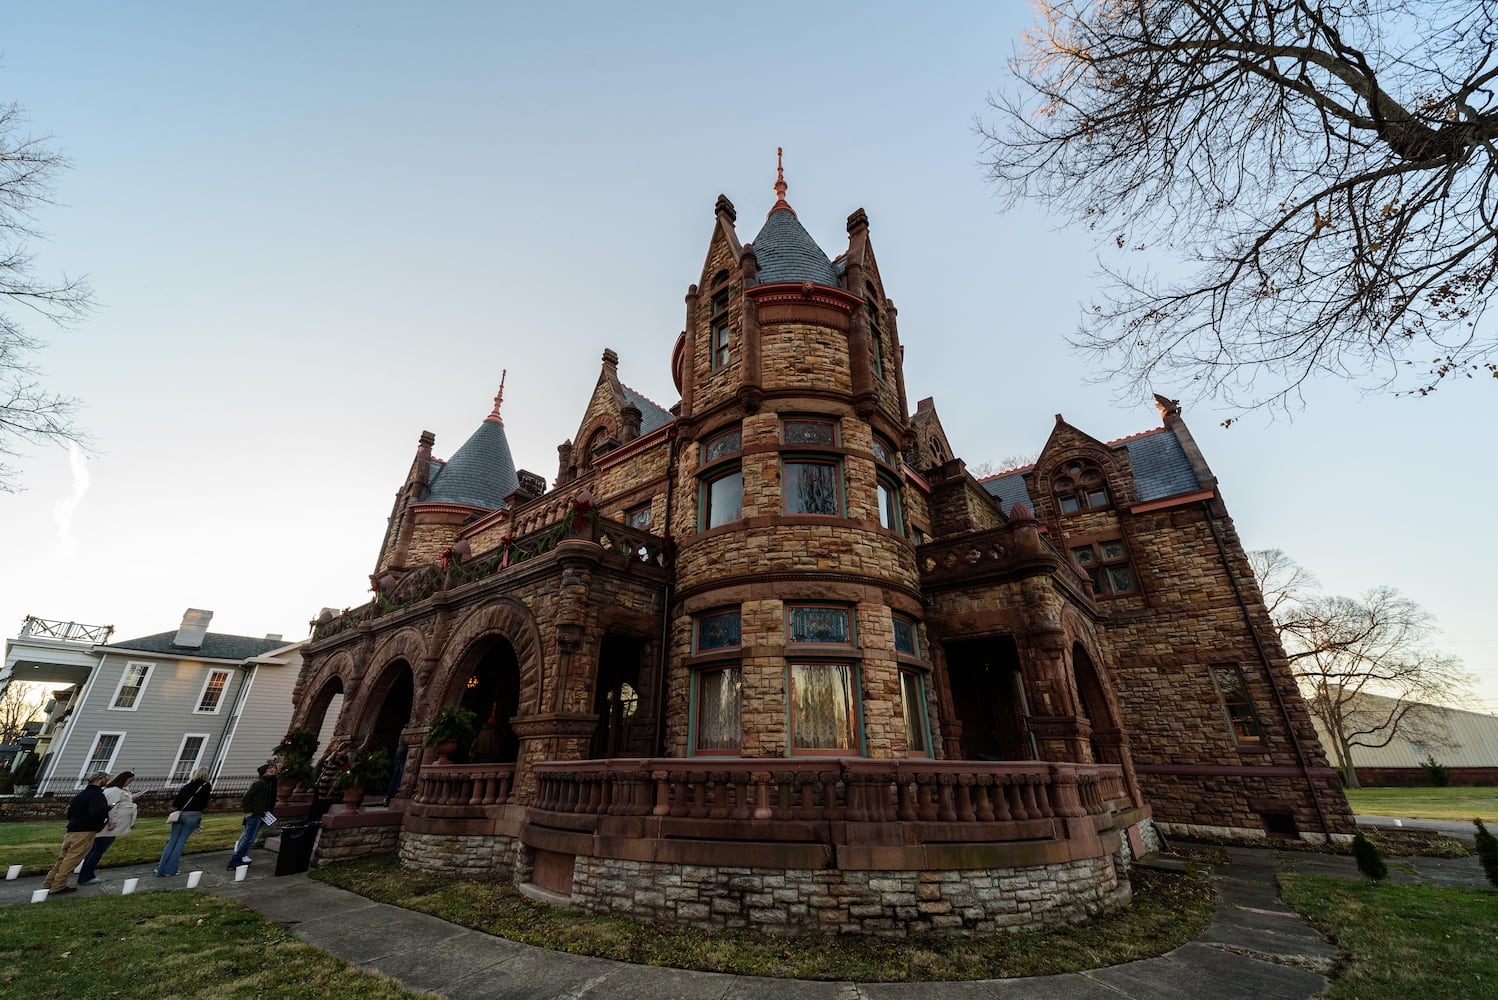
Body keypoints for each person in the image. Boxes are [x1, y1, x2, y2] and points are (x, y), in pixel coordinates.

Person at [43, 771, 111, 895]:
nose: (106, 782)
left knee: (63, 857)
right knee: (72, 859)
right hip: (84, 831)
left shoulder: (81, 795)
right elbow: (96, 813)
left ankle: (49, 881)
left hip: (72, 829)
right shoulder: (97, 795)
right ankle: (58, 885)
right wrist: (106, 811)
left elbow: (70, 813)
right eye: (105, 779)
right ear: (99, 780)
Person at [78, 770, 138, 885]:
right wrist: (111, 822)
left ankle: (86, 874)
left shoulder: (118, 790)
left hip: (110, 825)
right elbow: (111, 808)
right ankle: (86, 876)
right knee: (98, 850)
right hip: (108, 827)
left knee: (96, 850)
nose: (129, 783)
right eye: (129, 780)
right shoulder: (115, 791)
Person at [155, 767, 213, 877]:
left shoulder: (187, 786)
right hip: (193, 815)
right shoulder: (206, 787)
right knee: (180, 842)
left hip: (180, 814)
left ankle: (160, 868)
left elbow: (176, 802)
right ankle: (170, 869)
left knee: (172, 841)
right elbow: (204, 804)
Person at [228, 760, 278, 868]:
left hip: (260, 814)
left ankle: (242, 857)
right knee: (248, 837)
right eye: (269, 769)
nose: (272, 771)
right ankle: (235, 860)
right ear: (264, 772)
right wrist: (248, 811)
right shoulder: (260, 783)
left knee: (250, 837)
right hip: (254, 814)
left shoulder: (267, 784)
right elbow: (247, 797)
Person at [310, 740, 350, 822]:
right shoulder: (340, 758)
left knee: (320, 801)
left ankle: (313, 819)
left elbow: (323, 770)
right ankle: (318, 819)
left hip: (324, 779)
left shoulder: (331, 756)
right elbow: (342, 768)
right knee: (326, 801)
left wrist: (318, 780)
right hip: (330, 781)